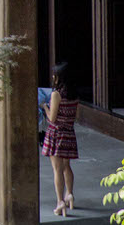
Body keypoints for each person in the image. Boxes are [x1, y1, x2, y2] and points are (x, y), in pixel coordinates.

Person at [42, 62, 78, 216]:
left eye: (54, 75)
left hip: (56, 134)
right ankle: (69, 194)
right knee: (66, 166)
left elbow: (52, 117)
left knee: (57, 169)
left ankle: (60, 202)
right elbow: (75, 116)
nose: (52, 77)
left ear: (59, 78)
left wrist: (44, 106)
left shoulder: (56, 94)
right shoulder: (74, 94)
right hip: (69, 132)